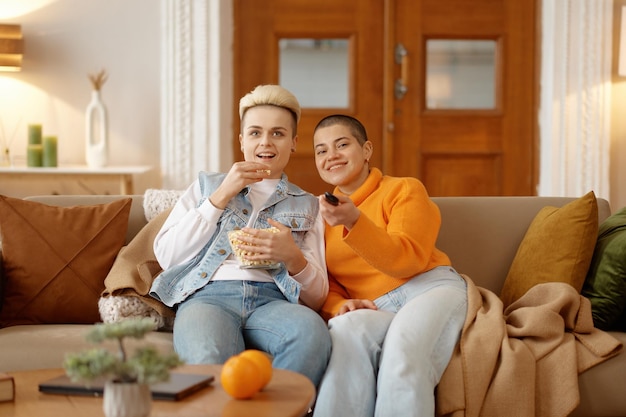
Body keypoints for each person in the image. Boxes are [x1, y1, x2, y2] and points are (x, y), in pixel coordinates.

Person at [148, 84, 331, 387]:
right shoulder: (207, 187)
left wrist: (292, 256)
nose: (266, 143)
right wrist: (220, 197)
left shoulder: (309, 205)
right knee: (208, 361)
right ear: (242, 140)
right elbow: (167, 255)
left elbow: (317, 297)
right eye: (256, 132)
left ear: (294, 142)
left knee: (312, 333)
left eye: (278, 133)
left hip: (273, 303)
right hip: (208, 298)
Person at [311, 114, 468, 416]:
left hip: (428, 289)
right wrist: (339, 305)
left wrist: (355, 222)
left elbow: (407, 259)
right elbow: (326, 281)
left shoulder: (404, 190)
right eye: (321, 150)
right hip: (377, 307)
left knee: (403, 352)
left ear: (367, 150)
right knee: (344, 332)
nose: (331, 156)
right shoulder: (320, 215)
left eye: (341, 144)